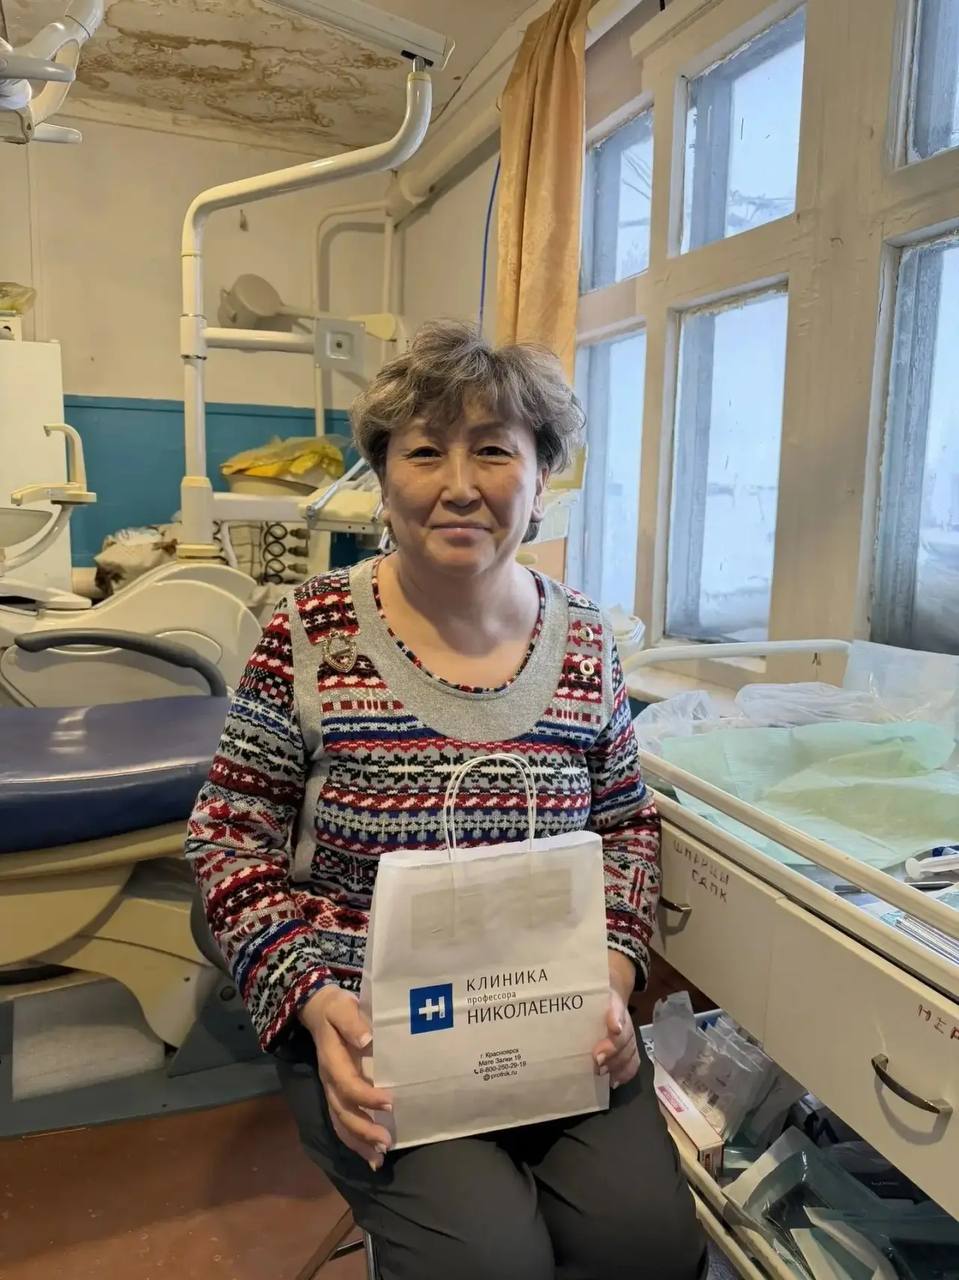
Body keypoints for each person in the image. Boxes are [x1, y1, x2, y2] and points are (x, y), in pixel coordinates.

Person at [186, 320, 706, 1280]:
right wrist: (312, 1002)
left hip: (553, 1014)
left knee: (650, 1248)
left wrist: (615, 974)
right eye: (425, 452)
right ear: (383, 481)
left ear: (539, 481)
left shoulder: (585, 640)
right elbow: (228, 839)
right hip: (374, 1022)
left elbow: (626, 824)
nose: (459, 484)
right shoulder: (310, 634)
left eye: (494, 451)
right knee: (489, 1261)